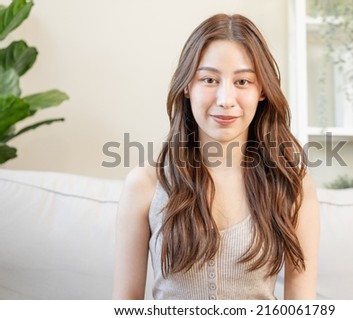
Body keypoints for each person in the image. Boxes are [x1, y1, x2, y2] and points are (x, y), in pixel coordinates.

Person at [113, 13, 320, 300]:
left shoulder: (293, 183)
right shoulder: (145, 184)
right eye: (209, 79)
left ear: (262, 91)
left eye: (243, 81)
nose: (225, 99)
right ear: (187, 86)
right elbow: (124, 305)